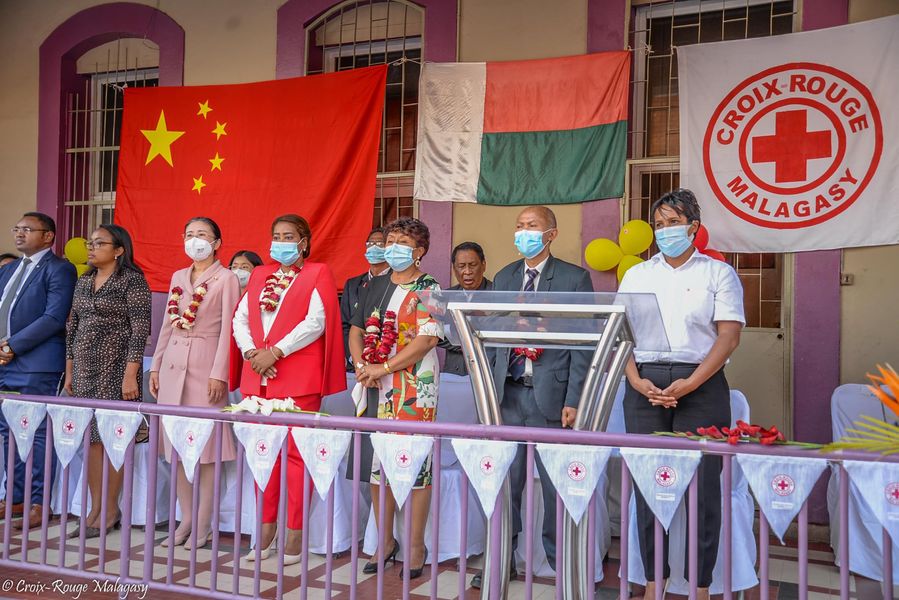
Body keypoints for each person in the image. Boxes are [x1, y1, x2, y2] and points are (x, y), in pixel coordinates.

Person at [617, 188, 743, 600]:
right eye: (659, 224)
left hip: (701, 384)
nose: (665, 231)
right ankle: (654, 581)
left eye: (673, 223)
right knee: (649, 485)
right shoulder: (638, 275)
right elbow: (620, 334)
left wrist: (691, 383)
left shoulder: (718, 273)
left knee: (703, 489)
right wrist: (635, 380)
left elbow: (728, 336)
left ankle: (700, 585)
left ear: (693, 227)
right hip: (645, 383)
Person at [473, 205, 594, 589]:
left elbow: (583, 345)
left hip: (552, 399)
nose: (523, 232)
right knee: (504, 485)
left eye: (532, 226)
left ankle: (563, 567)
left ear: (551, 234)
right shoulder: (506, 276)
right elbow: (492, 334)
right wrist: (490, 392)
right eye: (519, 226)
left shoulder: (574, 279)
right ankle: (500, 560)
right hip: (508, 396)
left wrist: (574, 399)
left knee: (557, 486)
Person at [231, 214, 345, 565]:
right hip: (258, 375)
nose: (281, 241)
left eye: (288, 236)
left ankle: (294, 534)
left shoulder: (317, 273)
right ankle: (264, 530)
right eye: (276, 235)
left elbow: (316, 321)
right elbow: (240, 318)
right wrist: (252, 352)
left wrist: (276, 351)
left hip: (297, 377)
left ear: (303, 242)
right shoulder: (260, 275)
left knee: (297, 457)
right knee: (262, 454)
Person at [348, 217, 442, 580]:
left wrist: (384, 367)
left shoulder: (429, 286)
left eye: (402, 242)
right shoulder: (376, 284)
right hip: (374, 381)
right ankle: (385, 541)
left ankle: (415, 545)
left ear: (419, 251)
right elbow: (357, 329)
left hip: (414, 382)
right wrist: (363, 366)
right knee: (379, 464)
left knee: (415, 462)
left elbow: (428, 338)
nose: (392, 248)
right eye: (390, 241)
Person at [149, 217, 240, 549]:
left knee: (205, 452)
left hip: (206, 367)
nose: (195, 240)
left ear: (216, 243)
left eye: (202, 234)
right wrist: (156, 365)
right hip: (173, 368)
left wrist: (220, 373)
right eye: (189, 234)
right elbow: (167, 325)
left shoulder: (226, 278)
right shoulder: (178, 276)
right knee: (175, 450)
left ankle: (202, 524)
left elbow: (230, 328)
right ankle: (185, 518)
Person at [64, 224, 152, 538]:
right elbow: (73, 327)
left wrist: (131, 374)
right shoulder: (84, 280)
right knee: (90, 440)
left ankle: (110, 509)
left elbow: (140, 330)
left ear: (118, 250)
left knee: (113, 439)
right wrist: (70, 370)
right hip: (84, 370)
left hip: (116, 370)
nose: (91, 247)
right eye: (90, 243)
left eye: (99, 243)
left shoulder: (132, 280)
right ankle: (94, 508)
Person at [0, 213, 76, 529]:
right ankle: (14, 497)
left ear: (48, 236)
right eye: (17, 229)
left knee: (36, 433)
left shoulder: (60, 269)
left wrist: (12, 346)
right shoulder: (9, 270)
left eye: (27, 229)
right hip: (5, 365)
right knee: (9, 431)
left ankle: (38, 503)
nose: (19, 234)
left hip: (36, 365)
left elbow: (54, 317)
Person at [340, 227, 390, 371]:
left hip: (389, 360)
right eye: (370, 244)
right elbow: (344, 325)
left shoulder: (397, 282)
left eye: (380, 244)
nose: (374, 248)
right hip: (357, 362)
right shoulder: (353, 284)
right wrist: (354, 358)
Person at [440, 241, 492, 376]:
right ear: (454, 268)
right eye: (461, 266)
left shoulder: (497, 294)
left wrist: (459, 339)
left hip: (488, 372)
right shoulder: (445, 297)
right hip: (454, 372)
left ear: (484, 265)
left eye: (472, 265)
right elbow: (437, 335)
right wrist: (469, 343)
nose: (467, 272)